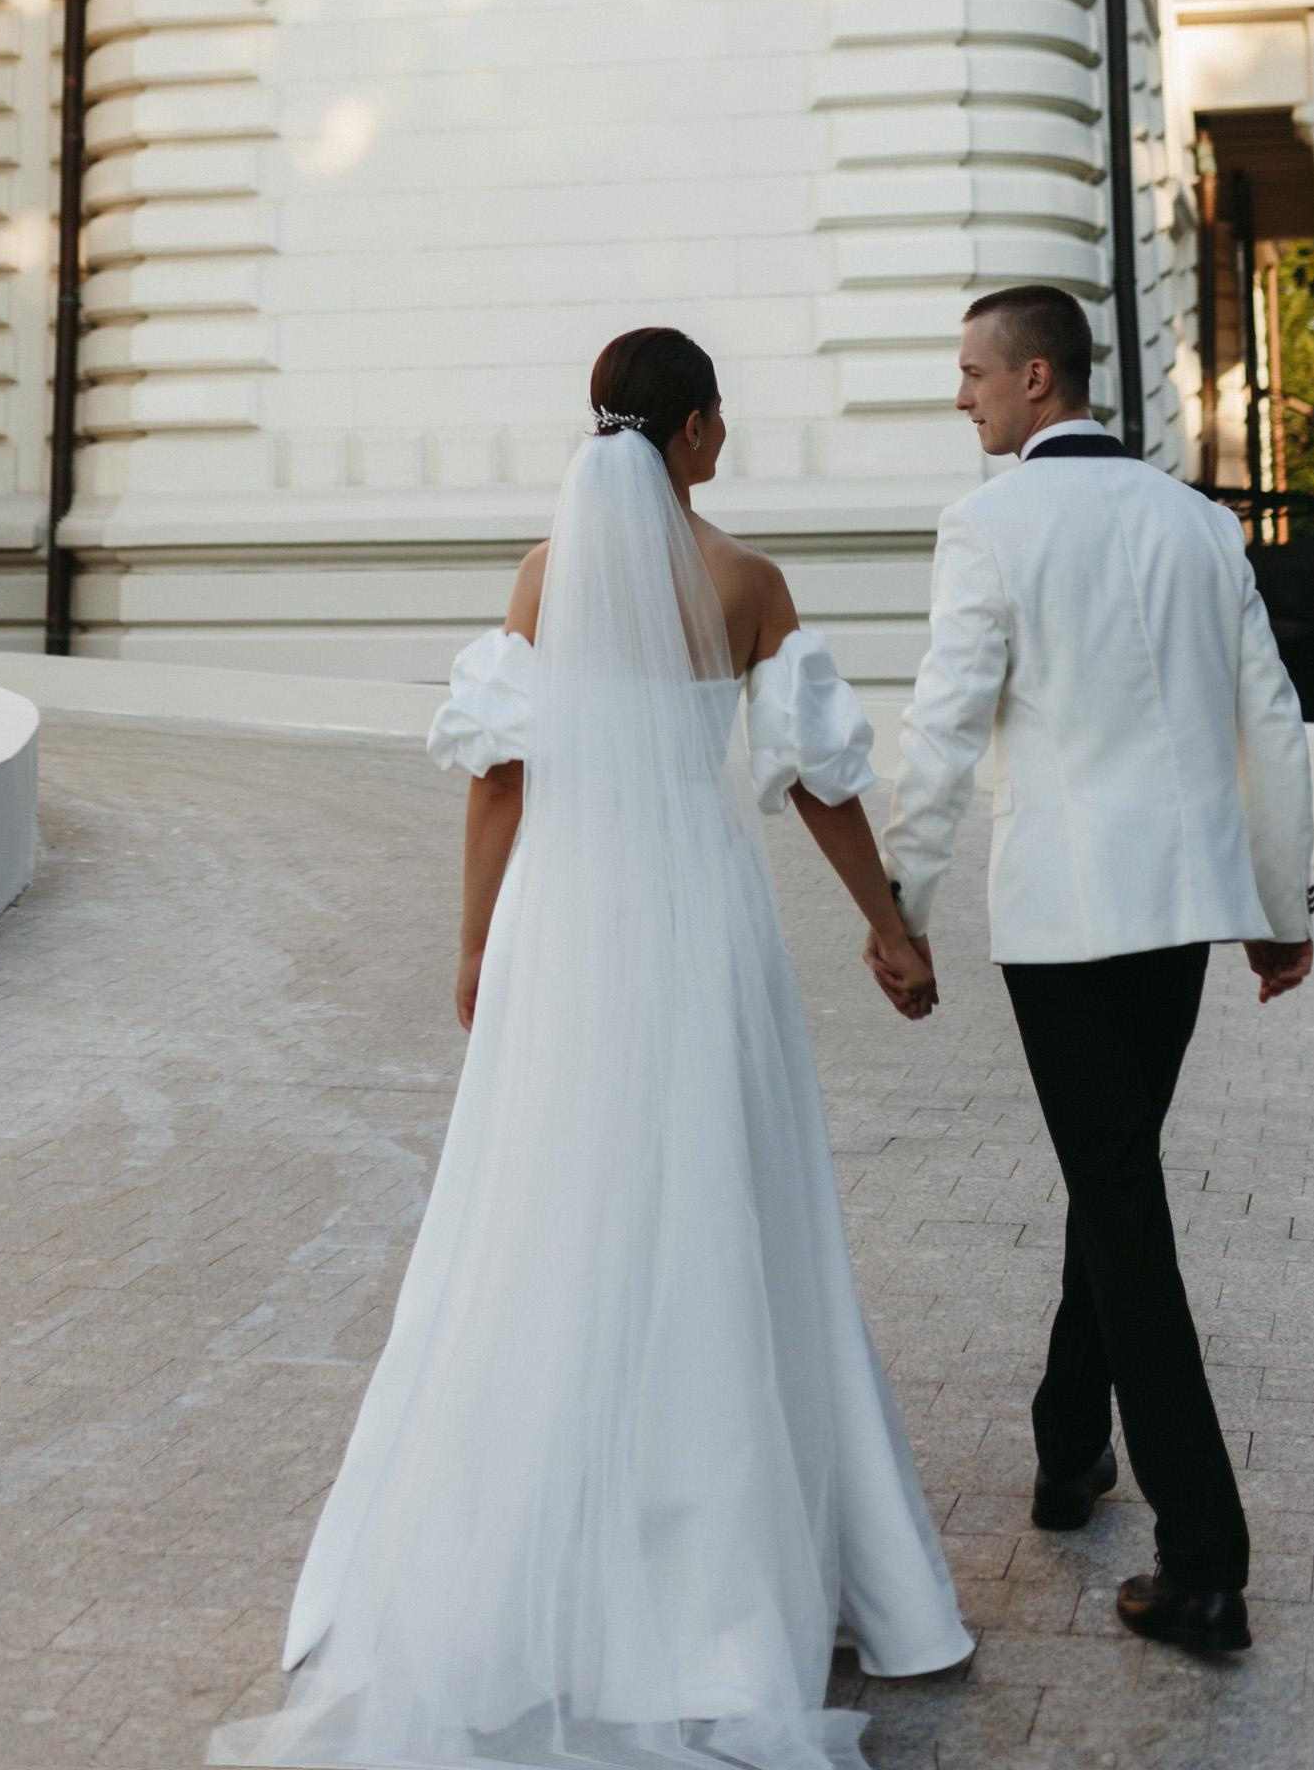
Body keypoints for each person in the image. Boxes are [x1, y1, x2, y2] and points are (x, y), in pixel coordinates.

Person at [211, 325, 972, 1769]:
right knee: (730, 1215)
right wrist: (890, 926)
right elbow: (816, 781)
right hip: (700, 927)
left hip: (567, 927)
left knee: (542, 1214)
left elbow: (498, 782)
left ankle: (522, 1557)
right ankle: (730, 1584)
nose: (726, 442)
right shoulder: (747, 584)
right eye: (719, 421)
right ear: (687, 433)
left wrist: (475, 943)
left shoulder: (545, 579)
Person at [876, 284, 1314, 1661]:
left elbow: (944, 724)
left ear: (1039, 381)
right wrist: (1280, 899)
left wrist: (903, 900)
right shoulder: (1199, 523)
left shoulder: (990, 524)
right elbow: (1274, 719)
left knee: (1121, 1193)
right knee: (1111, 1171)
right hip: (1181, 912)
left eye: (973, 375)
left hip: (1066, 920)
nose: (962, 398)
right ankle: (1069, 1452)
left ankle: (1206, 1559)